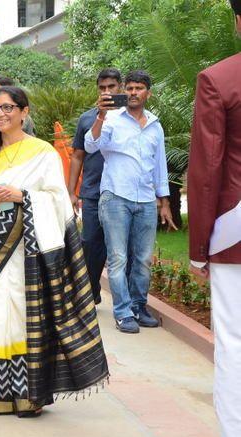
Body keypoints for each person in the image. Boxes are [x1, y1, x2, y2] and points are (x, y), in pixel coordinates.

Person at [0, 85, 108, 417]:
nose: (0, 114)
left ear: (24, 112)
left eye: (8, 108)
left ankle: (27, 393)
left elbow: (59, 200)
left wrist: (21, 195)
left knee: (20, 314)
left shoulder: (42, 152)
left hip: (28, 247)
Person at [188, 2, 241, 437]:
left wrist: (199, 248)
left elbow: (206, 172)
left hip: (234, 238)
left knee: (235, 347)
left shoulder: (219, 79)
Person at [85, 70, 177, 334]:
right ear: (124, 91)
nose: (134, 93)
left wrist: (165, 201)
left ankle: (139, 306)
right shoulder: (112, 118)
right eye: (131, 88)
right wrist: (101, 115)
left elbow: (159, 165)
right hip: (116, 197)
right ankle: (123, 312)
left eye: (139, 88)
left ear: (148, 92)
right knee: (117, 257)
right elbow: (92, 145)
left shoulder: (155, 125)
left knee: (144, 259)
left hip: (146, 199)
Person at [68, 68, 123, 307]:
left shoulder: (130, 118)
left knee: (121, 248)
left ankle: (127, 301)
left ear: (120, 87)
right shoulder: (87, 118)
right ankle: (90, 292)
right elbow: (77, 156)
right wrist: (70, 191)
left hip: (122, 193)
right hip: (92, 192)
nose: (107, 91)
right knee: (90, 243)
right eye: (102, 88)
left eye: (111, 87)